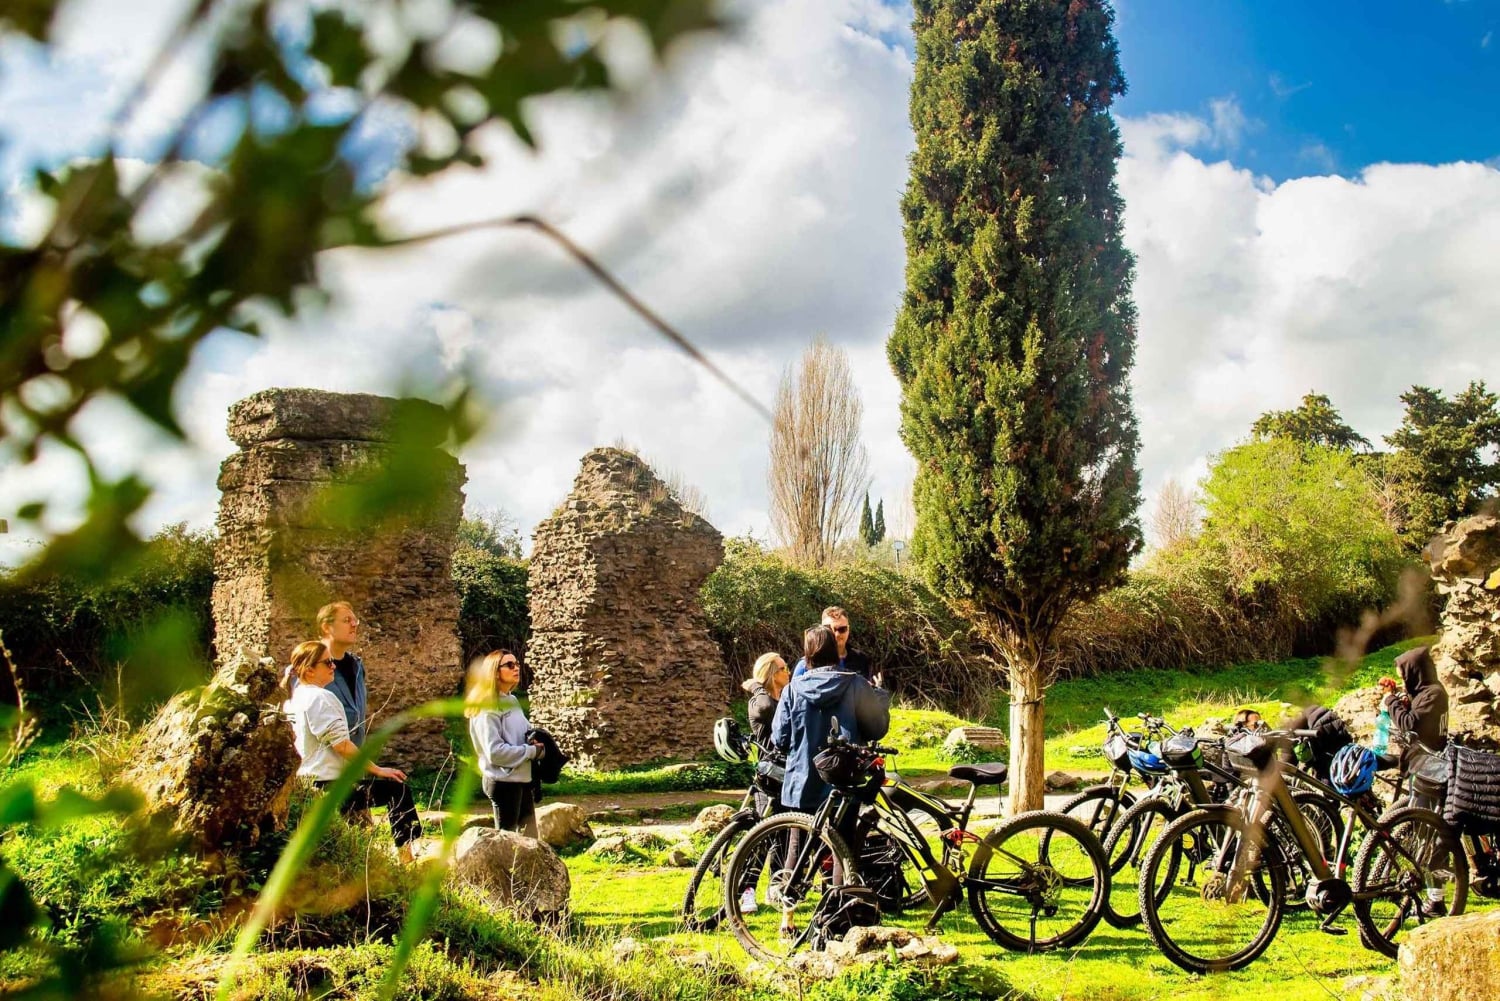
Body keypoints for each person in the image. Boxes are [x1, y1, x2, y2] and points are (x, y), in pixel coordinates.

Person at [772, 625, 890, 939]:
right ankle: (839, 918)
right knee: (842, 851)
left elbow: (780, 737)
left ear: (807, 654)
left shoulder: (793, 689)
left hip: (803, 781)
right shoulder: (855, 684)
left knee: (796, 850)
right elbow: (877, 728)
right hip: (843, 781)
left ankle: (788, 918)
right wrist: (880, 697)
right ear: (833, 654)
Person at [283, 639, 421, 862]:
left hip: (307, 784)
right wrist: (378, 770)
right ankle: (407, 859)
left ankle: (370, 860)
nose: (333, 667)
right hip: (329, 785)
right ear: (309, 670)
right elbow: (341, 745)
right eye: (327, 663)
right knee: (398, 790)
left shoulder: (294, 700)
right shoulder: (320, 697)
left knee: (357, 829)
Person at [465, 649, 545, 837]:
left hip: (521, 779)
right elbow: (495, 752)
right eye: (509, 665)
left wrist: (538, 741)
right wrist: (532, 751)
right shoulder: (487, 706)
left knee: (530, 841)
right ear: (494, 671)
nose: (516, 668)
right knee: (506, 845)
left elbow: (525, 732)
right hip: (503, 781)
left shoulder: (512, 700)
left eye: (517, 664)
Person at [737, 651, 790, 915]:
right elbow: (768, 711)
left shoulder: (785, 697)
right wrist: (757, 686)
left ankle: (776, 886)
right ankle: (746, 890)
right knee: (762, 835)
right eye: (783, 668)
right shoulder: (761, 701)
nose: (788, 672)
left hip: (788, 775)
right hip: (768, 779)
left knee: (784, 834)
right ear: (771, 672)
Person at [1389, 645, 1449, 763]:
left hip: (1428, 759)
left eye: (1404, 678)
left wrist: (1390, 700)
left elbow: (1408, 725)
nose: (1403, 683)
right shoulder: (1426, 690)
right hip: (1422, 756)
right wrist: (1406, 704)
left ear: (1415, 673)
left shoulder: (1433, 694)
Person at [791, 606, 876, 684]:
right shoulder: (806, 663)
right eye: (830, 629)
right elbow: (794, 695)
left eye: (842, 629)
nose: (837, 634)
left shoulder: (861, 659)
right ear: (822, 630)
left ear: (848, 629)